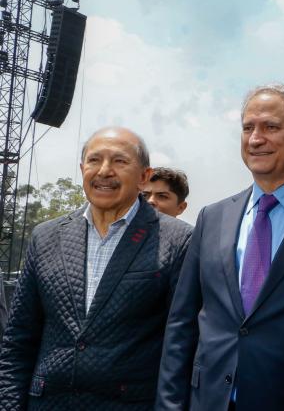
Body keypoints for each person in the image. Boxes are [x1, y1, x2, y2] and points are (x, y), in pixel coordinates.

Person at [156, 83, 284, 411]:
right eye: (248, 128)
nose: (255, 139)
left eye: (271, 127)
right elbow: (183, 323)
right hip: (207, 400)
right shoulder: (213, 217)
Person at [0, 127, 192, 409]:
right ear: (82, 169)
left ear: (143, 177)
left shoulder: (178, 240)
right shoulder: (46, 236)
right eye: (94, 160)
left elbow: (183, 347)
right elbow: (18, 339)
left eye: (119, 161)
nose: (104, 171)